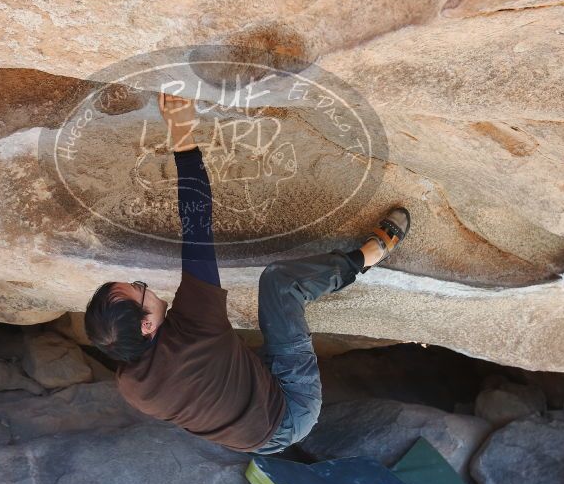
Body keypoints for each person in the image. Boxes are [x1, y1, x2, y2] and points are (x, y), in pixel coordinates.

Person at [84, 93, 411, 454]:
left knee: (242, 360)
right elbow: (196, 222)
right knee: (280, 283)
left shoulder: (131, 384)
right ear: (146, 326)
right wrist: (181, 131)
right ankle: (366, 257)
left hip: (253, 438)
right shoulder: (194, 328)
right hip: (292, 407)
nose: (141, 284)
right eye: (138, 289)